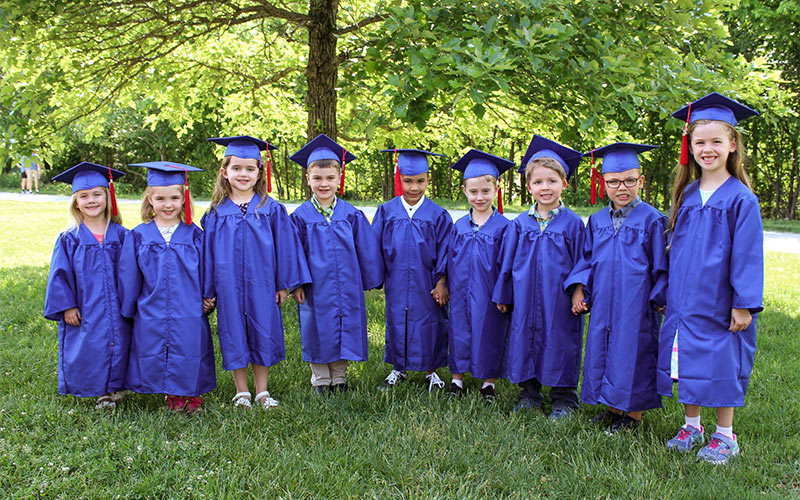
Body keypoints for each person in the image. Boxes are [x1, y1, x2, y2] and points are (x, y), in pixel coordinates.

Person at [657, 93, 763, 464]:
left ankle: (725, 435)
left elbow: (748, 255)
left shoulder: (741, 199)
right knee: (685, 360)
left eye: (716, 141)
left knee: (720, 364)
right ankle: (691, 425)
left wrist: (743, 303)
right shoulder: (686, 194)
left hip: (720, 300)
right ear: (690, 145)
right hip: (685, 299)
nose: (707, 149)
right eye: (700, 142)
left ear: (733, 145)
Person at [203, 135, 311, 409]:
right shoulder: (215, 213)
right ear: (224, 172)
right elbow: (206, 255)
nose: (243, 174)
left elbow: (285, 248)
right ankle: (242, 391)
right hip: (227, 285)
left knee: (263, 330)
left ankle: (262, 391)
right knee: (233, 331)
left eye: (250, 169)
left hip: (263, 284)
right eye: (236, 168)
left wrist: (283, 284)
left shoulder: (271, 209)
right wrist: (208, 290)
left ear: (260, 172)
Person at [566, 142, 667, 433]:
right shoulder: (597, 220)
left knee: (632, 352)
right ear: (603, 182)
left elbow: (661, 265)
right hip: (603, 299)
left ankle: (632, 415)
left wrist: (659, 297)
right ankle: (612, 408)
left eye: (629, 181)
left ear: (641, 181)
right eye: (613, 182)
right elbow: (586, 260)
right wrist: (579, 289)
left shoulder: (652, 220)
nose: (622, 187)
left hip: (637, 301)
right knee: (604, 349)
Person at [494, 136, 585, 418]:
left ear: (564, 184)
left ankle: (564, 398)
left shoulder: (573, 224)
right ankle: (529, 393)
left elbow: (584, 260)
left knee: (561, 340)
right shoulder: (520, 224)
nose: (545, 187)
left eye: (552, 181)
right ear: (529, 186)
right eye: (538, 182)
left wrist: (579, 290)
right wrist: (504, 294)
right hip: (524, 295)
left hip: (559, 297)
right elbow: (506, 262)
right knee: (524, 338)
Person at [117, 161, 216, 413]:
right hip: (151, 305)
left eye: (174, 198)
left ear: (184, 200)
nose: (168, 204)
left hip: (189, 304)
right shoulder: (138, 235)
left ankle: (190, 394)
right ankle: (170, 394)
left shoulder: (195, 234)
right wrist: (129, 306)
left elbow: (208, 267)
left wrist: (208, 295)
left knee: (190, 347)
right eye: (160, 198)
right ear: (149, 200)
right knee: (154, 346)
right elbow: (129, 274)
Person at [288, 134, 384, 394]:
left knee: (345, 325)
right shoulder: (299, 217)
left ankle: (339, 377)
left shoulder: (351, 214)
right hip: (314, 287)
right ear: (307, 179)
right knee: (316, 328)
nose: (324, 184)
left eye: (330, 178)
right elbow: (292, 252)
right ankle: (320, 379)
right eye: (317, 178)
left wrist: (369, 278)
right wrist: (296, 283)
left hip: (346, 284)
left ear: (339, 179)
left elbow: (366, 249)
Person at [44, 162, 130, 409]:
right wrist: (67, 306)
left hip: (118, 304)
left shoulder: (123, 235)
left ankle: (117, 387)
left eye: (97, 194)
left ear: (108, 197)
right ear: (76, 203)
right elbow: (58, 275)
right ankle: (100, 390)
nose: (91, 200)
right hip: (86, 305)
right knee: (91, 345)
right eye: (84, 196)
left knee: (121, 343)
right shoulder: (68, 239)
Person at [373, 148, 452, 391]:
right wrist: (377, 279)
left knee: (430, 322)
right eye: (408, 181)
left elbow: (447, 250)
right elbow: (374, 247)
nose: (414, 187)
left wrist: (441, 282)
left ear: (428, 179)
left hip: (427, 279)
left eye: (420, 181)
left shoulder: (438, 214)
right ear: (400, 179)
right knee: (397, 320)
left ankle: (431, 371)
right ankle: (398, 368)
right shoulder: (387, 211)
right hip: (395, 278)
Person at [447, 149, 513, 402]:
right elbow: (447, 259)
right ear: (464, 191)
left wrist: (504, 294)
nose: (479, 197)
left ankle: (488, 383)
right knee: (459, 330)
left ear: (496, 190)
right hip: (460, 290)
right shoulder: (460, 226)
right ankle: (457, 380)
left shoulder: (505, 228)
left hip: (490, 292)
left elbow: (508, 265)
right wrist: (443, 283)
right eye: (473, 192)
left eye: (485, 191)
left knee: (491, 333)